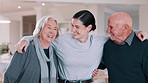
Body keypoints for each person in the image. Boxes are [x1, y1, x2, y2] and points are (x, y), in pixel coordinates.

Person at [15, 10, 147, 83]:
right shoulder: (62, 40)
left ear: (89, 28)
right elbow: (43, 38)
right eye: (72, 26)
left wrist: (136, 32)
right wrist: (25, 39)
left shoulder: (101, 41)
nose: (73, 30)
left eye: (77, 27)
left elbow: (123, 35)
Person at [94, 12, 148, 83]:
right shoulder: (108, 45)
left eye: (111, 27)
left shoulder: (144, 46)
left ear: (125, 28)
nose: (107, 31)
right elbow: (99, 64)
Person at [4, 16, 58, 83]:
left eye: (55, 29)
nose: (52, 32)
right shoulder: (25, 48)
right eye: (48, 27)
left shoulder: (54, 52)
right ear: (40, 29)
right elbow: (10, 76)